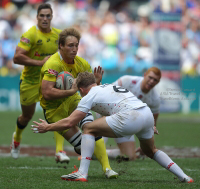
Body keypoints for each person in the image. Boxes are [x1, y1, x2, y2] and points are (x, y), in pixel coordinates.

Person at [32, 71, 194, 183]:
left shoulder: (88, 96)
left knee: (88, 128)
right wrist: (151, 124)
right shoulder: (106, 86)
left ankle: (82, 173)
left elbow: (69, 122)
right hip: (146, 114)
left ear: (81, 90)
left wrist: (48, 127)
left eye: (78, 91)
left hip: (130, 116)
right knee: (150, 151)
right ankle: (184, 176)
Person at [38, 27, 118, 178]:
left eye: (76, 45)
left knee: (91, 128)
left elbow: (91, 92)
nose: (74, 49)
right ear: (60, 46)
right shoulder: (52, 64)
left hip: (74, 100)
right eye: (70, 45)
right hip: (54, 110)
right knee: (84, 147)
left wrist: (97, 83)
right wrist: (70, 91)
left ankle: (108, 169)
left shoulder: (82, 64)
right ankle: (83, 154)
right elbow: (47, 93)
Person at [10, 3, 70, 163]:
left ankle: (59, 151)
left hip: (48, 81)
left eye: (48, 16)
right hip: (29, 81)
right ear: (37, 17)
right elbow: (16, 57)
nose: (45, 18)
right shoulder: (30, 34)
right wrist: (40, 62)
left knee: (56, 114)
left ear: (52, 17)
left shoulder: (58, 35)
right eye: (42, 15)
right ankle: (17, 137)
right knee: (26, 116)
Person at [104, 67, 161, 160]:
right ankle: (92, 148)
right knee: (96, 144)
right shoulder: (127, 81)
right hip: (108, 113)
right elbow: (106, 94)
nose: (151, 81)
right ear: (145, 75)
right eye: (150, 77)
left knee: (130, 157)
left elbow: (152, 124)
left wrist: (147, 146)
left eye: (155, 80)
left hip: (124, 122)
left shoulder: (155, 99)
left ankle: (99, 153)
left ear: (158, 82)